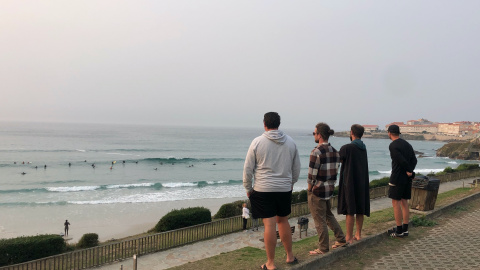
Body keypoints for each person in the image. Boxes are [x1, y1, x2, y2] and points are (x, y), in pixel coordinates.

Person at [243, 112, 301, 269]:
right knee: (283, 220)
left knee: (269, 225)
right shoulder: (290, 142)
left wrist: (248, 188)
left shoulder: (257, 142)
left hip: (263, 189)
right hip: (283, 188)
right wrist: (291, 183)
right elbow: (296, 168)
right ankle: (290, 256)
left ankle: (270, 263)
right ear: (279, 123)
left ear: (264, 124)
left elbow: (248, 168)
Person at [307, 122, 347, 255]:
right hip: (328, 189)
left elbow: (311, 175)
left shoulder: (316, 152)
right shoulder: (336, 152)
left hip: (317, 191)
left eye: (314, 133)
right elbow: (335, 172)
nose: (314, 135)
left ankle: (323, 248)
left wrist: (309, 189)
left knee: (319, 220)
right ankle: (341, 239)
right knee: (329, 216)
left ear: (319, 135)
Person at [338, 124, 370, 244]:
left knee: (350, 210)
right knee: (360, 209)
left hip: (350, 182)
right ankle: (358, 234)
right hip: (362, 181)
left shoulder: (347, 148)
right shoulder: (363, 147)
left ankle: (349, 237)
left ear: (351, 132)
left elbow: (338, 160)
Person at [386, 124, 417, 237]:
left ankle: (399, 230)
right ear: (399, 133)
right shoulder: (407, 144)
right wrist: (411, 172)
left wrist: (409, 170)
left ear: (389, 133)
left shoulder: (393, 145)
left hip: (397, 177)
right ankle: (405, 228)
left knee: (396, 203)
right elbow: (414, 159)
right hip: (406, 178)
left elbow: (400, 160)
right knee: (404, 202)